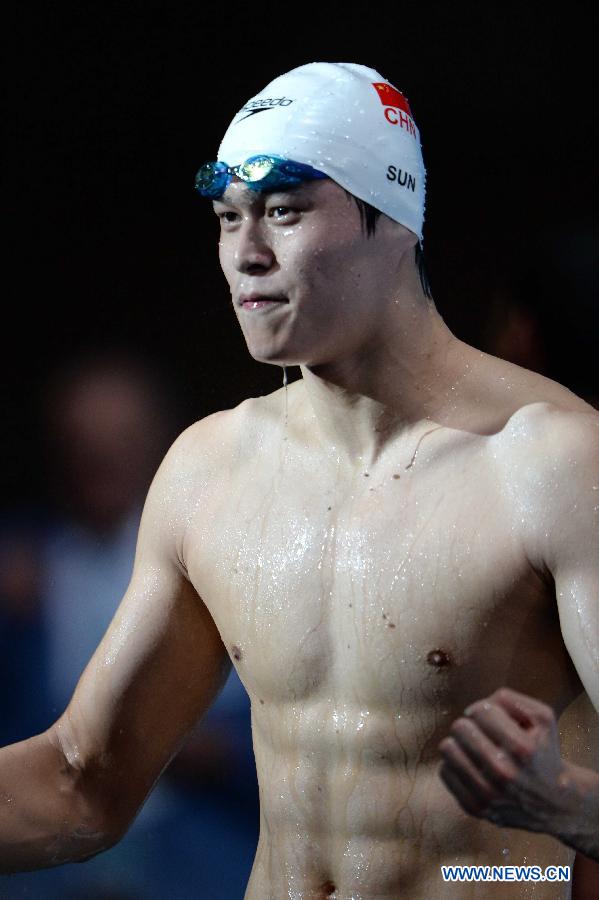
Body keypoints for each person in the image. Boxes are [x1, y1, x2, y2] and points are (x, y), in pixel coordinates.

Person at [0, 62, 597, 899]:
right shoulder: (212, 469)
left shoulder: (552, 466)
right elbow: (82, 785)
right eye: (226, 218)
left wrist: (566, 805)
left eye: (282, 213)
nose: (245, 255)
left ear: (391, 219)